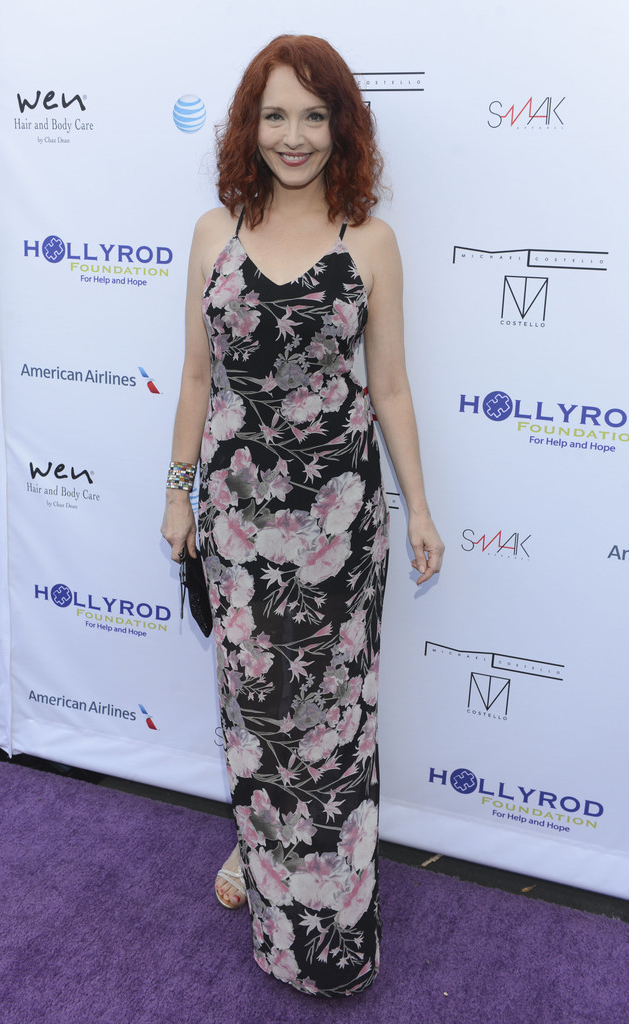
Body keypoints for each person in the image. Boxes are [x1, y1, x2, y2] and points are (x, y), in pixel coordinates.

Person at [161, 34, 444, 997]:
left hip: (340, 530)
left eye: (314, 116)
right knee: (257, 716)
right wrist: (176, 491)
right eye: (276, 115)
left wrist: (419, 509)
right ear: (250, 127)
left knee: (335, 724)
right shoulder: (215, 233)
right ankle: (261, 851)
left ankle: (333, 929)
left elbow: (390, 387)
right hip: (239, 529)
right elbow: (195, 377)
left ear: (341, 128)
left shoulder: (371, 242)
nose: (294, 136)